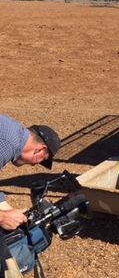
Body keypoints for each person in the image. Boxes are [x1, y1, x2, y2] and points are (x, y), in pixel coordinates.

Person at [0, 114, 61, 276]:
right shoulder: (6, 144)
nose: (35, 164)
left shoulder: (11, 133)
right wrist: (1, 217)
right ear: (41, 149)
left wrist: (7, 210)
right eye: (41, 160)